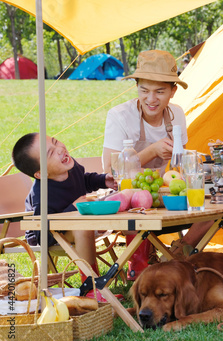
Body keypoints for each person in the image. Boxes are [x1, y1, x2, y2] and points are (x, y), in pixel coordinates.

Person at [102, 49, 208, 268]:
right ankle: (139, 267)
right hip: (129, 199)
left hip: (162, 195)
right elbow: (111, 172)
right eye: (144, 90)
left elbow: (180, 166)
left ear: (173, 91)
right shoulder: (120, 116)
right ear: (137, 88)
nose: (151, 99)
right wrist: (152, 151)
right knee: (138, 203)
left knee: (212, 207)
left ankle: (178, 253)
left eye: (160, 91)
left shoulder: (176, 114)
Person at [12, 133, 119, 301]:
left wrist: (103, 180)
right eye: (50, 153)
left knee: (120, 207)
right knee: (82, 227)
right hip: (52, 234)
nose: (60, 149)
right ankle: (90, 286)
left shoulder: (71, 166)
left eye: (56, 142)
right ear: (40, 173)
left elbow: (83, 180)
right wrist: (73, 207)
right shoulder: (43, 195)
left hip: (78, 222)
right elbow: (42, 234)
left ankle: (139, 267)